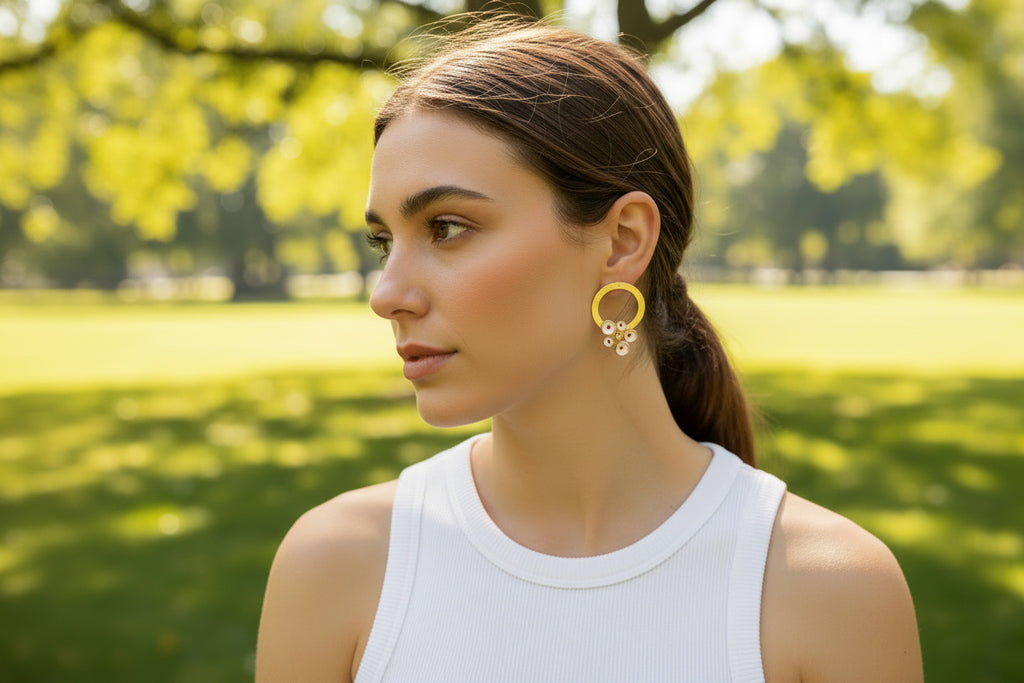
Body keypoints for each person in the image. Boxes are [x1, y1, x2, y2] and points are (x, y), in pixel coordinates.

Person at [256, 15, 922, 682]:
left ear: (623, 241)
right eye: (384, 241)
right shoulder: (337, 568)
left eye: (447, 227)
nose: (387, 293)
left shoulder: (829, 591)